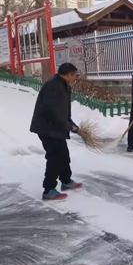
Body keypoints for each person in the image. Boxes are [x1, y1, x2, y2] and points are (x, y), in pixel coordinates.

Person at [30, 63, 83, 200]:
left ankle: (66, 181)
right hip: (47, 128)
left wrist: (72, 125)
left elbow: (64, 112)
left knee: (63, 155)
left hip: (55, 128)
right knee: (55, 157)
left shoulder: (63, 86)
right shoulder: (53, 86)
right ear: (68, 74)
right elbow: (52, 112)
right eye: (74, 75)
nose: (75, 78)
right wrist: (68, 126)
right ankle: (48, 190)